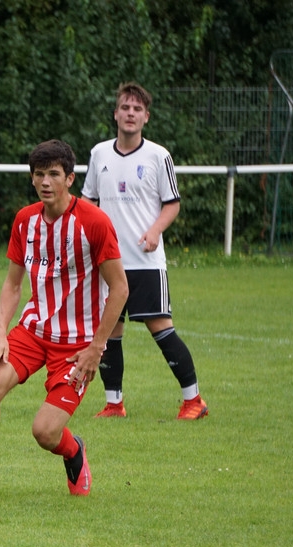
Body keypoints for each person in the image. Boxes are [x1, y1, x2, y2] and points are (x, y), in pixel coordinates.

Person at [0, 139, 128, 503]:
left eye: (54, 174)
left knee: (45, 432)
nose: (46, 181)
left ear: (70, 179)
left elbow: (119, 289)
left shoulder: (93, 222)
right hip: (32, 331)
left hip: (77, 344)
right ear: (32, 179)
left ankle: (74, 450)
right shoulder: (25, 220)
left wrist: (96, 348)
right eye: (39, 174)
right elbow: (13, 284)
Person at [81, 81, 208, 420]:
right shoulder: (99, 154)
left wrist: (154, 230)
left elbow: (172, 203)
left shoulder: (158, 156)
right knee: (110, 332)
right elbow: (88, 201)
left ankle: (194, 400)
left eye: (137, 109)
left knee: (161, 329)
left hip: (145, 261)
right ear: (116, 113)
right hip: (107, 261)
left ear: (146, 117)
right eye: (125, 107)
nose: (130, 114)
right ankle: (114, 403)